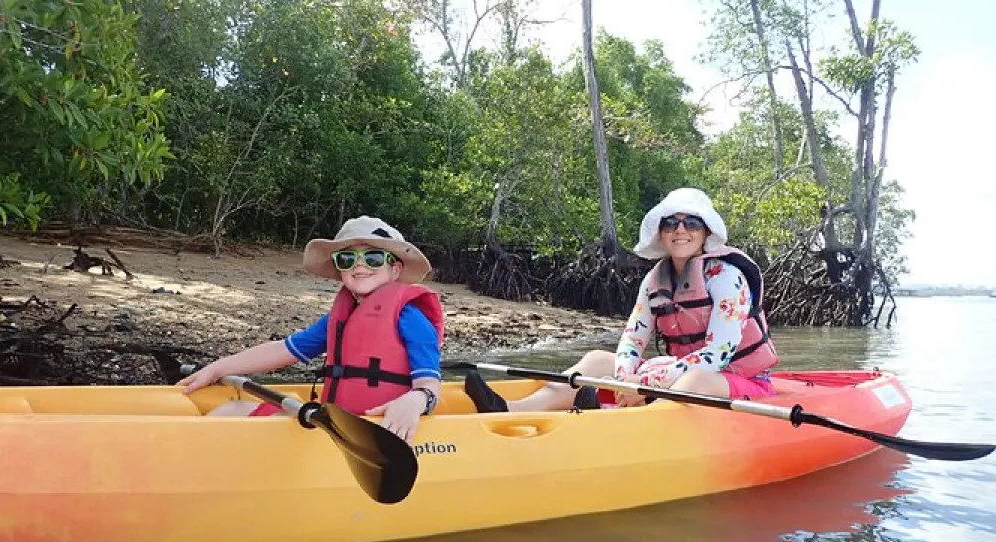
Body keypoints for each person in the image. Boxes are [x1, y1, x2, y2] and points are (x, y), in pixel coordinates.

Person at [464, 187, 779, 412]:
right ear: (661, 231)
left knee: (695, 380)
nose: (680, 230)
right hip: (667, 377)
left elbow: (718, 355)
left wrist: (646, 383)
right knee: (597, 361)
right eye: (671, 223)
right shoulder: (656, 279)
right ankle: (514, 409)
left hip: (734, 380)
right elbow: (632, 338)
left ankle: (616, 418)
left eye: (691, 223)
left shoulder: (726, 276)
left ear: (705, 231)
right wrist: (624, 377)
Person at [177, 216, 444, 443]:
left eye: (373, 258)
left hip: (377, 428)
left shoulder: (412, 319)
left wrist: (417, 400)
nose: (359, 265)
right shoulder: (340, 319)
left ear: (395, 269)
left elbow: (430, 383)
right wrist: (217, 368)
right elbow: (285, 349)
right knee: (231, 409)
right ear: (340, 270)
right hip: (333, 422)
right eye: (347, 258)